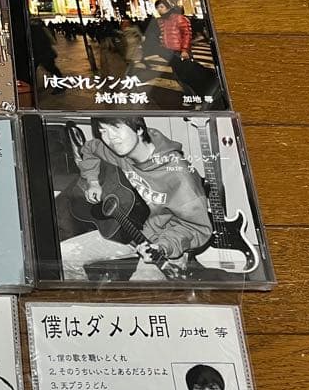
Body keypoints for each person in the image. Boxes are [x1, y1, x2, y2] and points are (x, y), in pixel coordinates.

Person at [60, 116, 211, 281]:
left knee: (140, 287)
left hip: (164, 244)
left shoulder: (179, 174)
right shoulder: (118, 151)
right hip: (127, 232)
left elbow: (197, 228)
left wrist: (163, 246)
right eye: (103, 131)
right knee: (63, 256)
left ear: (139, 129)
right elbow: (89, 149)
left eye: (115, 128)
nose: (110, 138)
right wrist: (93, 181)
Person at [153, 0, 221, 107]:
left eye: (161, 6)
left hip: (181, 51)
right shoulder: (161, 21)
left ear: (167, 7)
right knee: (179, 77)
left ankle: (201, 97)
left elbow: (187, 34)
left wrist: (185, 50)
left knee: (190, 76)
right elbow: (163, 35)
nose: (159, 9)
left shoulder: (178, 18)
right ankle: (191, 97)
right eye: (157, 8)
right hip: (170, 52)